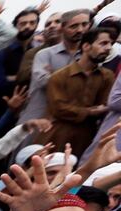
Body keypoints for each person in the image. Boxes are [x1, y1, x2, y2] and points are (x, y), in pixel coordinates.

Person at [42, 27, 115, 160]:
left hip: (88, 137)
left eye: (111, 44)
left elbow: (105, 105)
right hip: (58, 135)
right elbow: (58, 109)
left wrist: (95, 111)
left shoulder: (107, 76)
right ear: (86, 46)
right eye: (103, 43)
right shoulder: (60, 76)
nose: (108, 48)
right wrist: (89, 111)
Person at [20, 9, 92, 123]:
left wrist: (55, 74)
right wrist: (77, 80)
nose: (80, 30)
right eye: (74, 26)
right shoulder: (44, 54)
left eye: (84, 25)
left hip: (69, 121)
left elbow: (90, 87)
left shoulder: (90, 57)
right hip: (38, 116)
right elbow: (44, 81)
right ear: (62, 28)